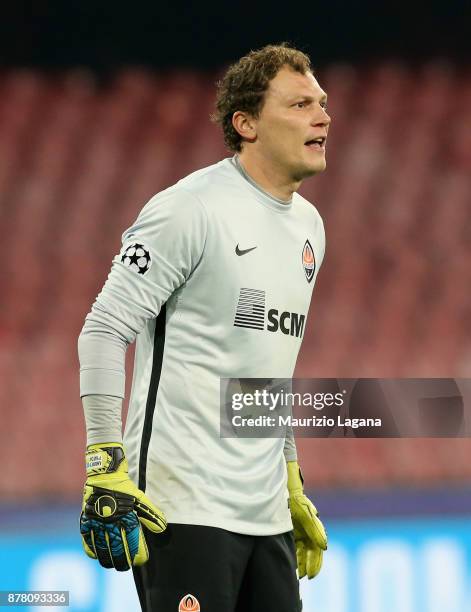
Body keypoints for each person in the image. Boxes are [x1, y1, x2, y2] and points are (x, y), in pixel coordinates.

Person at [78, 42, 330, 612]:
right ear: (246, 124)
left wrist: (289, 475)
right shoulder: (188, 209)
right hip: (183, 508)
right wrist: (103, 463)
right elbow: (103, 329)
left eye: (321, 102)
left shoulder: (311, 229)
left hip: (264, 514)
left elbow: (266, 373)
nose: (322, 115)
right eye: (299, 104)